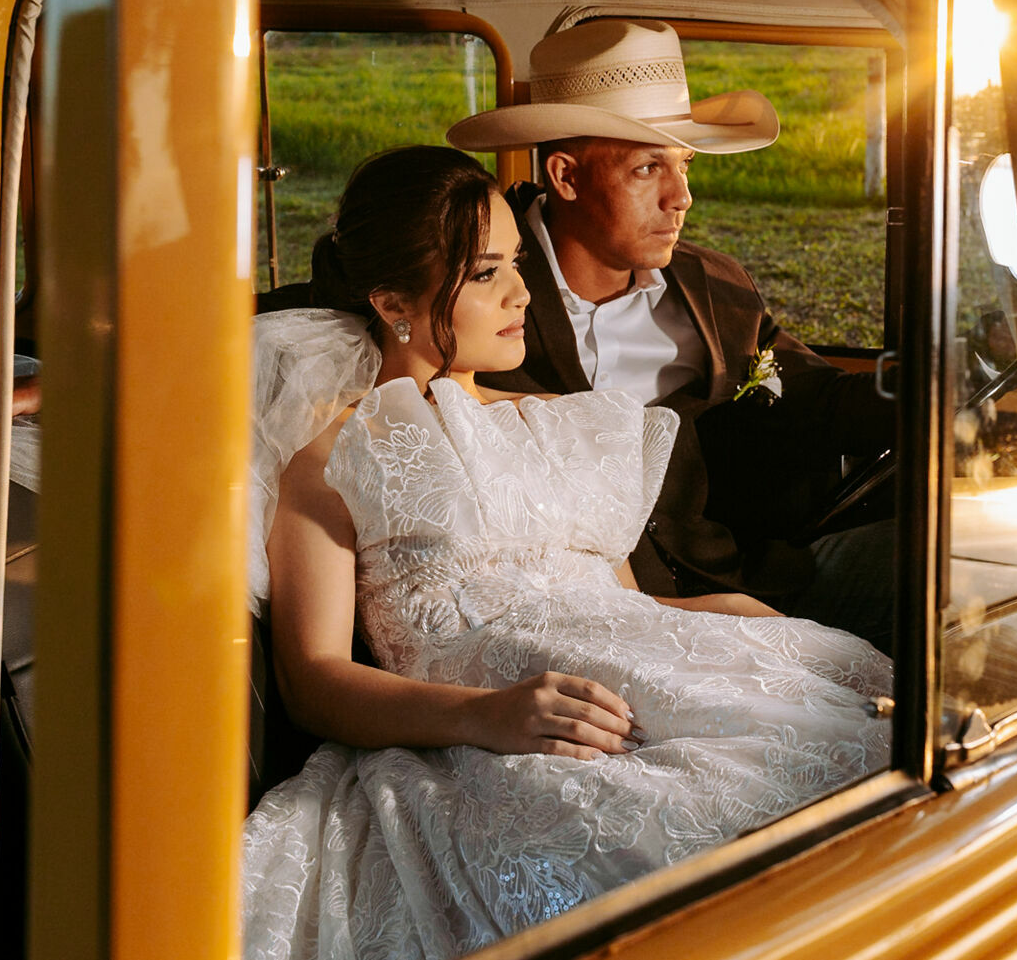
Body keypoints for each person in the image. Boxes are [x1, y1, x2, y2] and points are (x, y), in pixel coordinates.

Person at [240, 145, 891, 960]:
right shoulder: (337, 449)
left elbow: (621, 605)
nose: (520, 292)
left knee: (872, 741)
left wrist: (719, 610)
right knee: (665, 847)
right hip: (498, 729)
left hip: (651, 669)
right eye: (486, 274)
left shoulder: (561, 420)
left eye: (516, 262)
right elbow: (313, 678)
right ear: (392, 302)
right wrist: (485, 714)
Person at [446, 19, 901, 652]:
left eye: (684, 164)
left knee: (954, 551)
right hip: (582, 623)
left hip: (748, 583)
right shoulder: (476, 290)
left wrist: (928, 390)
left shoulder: (713, 284)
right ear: (566, 177)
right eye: (647, 168)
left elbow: (812, 395)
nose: (681, 196)